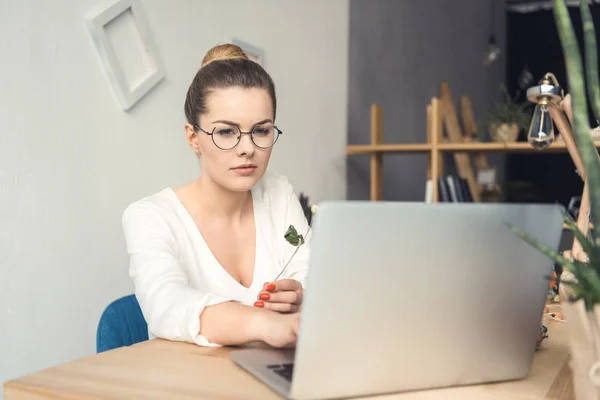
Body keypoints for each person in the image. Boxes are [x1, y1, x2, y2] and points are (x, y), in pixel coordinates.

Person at [121, 43, 311, 348]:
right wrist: (264, 323)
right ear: (193, 138)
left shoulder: (278, 194)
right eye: (227, 132)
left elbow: (311, 272)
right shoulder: (149, 217)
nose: (247, 148)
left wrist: (300, 293)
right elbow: (166, 305)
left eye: (261, 131)